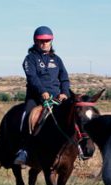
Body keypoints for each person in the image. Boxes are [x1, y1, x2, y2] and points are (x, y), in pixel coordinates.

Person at [13, 25, 70, 166]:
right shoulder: (29, 59)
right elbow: (32, 78)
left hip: (57, 98)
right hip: (36, 98)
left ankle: (76, 148)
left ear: (51, 41)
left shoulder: (57, 60)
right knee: (25, 116)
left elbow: (64, 78)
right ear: (35, 41)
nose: (45, 43)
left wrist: (65, 93)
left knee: (73, 116)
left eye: (47, 40)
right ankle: (24, 150)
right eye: (41, 41)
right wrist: (42, 91)